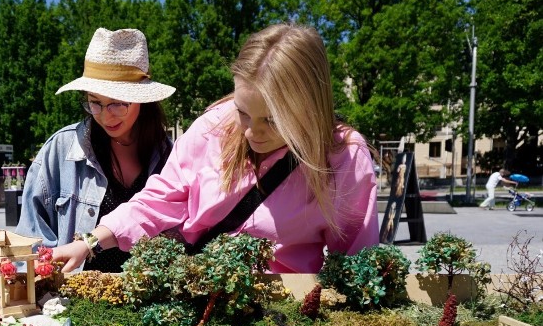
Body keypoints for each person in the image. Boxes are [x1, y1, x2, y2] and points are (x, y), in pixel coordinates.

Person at [53, 23, 378, 274]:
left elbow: (356, 266)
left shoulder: (344, 157)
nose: (252, 132)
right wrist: (89, 242)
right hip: (203, 297)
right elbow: (158, 200)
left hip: (288, 309)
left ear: (310, 109)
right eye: (243, 112)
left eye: (273, 121)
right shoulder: (214, 126)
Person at [16, 27, 175, 273]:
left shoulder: (169, 155)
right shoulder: (60, 149)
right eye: (95, 102)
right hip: (73, 301)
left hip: (149, 303)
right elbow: (30, 241)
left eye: (117, 103)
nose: (105, 115)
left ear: (144, 100)